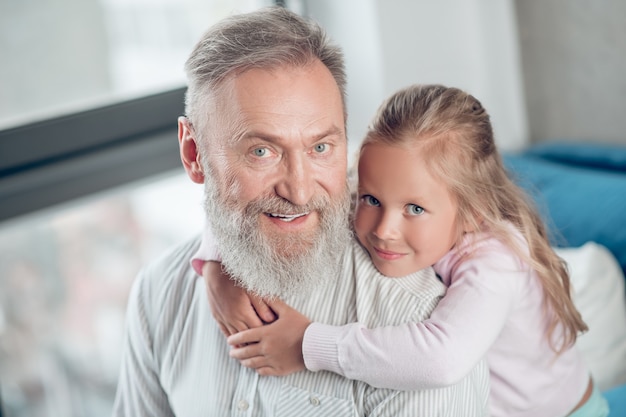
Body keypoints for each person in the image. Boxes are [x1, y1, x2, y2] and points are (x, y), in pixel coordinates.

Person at [112, 8, 490, 416]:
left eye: (320, 148)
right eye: (261, 152)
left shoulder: (411, 324)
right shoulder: (158, 296)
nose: (299, 189)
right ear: (194, 154)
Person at [211, 84, 610, 417]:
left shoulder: (496, 264)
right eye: (370, 199)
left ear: (474, 210)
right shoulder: (383, 192)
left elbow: (441, 359)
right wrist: (216, 266)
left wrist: (307, 344)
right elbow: (278, 203)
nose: (384, 229)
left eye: (415, 209)